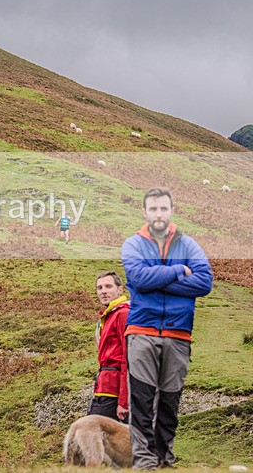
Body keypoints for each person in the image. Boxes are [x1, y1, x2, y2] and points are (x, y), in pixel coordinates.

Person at [122, 187, 213, 469]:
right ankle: (145, 462)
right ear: (145, 212)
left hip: (178, 335)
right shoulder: (133, 244)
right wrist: (177, 271)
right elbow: (137, 277)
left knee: (169, 404)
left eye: (163, 208)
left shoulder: (189, 245)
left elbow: (204, 283)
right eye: (153, 209)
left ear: (171, 211)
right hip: (141, 332)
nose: (158, 214)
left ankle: (165, 459)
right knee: (142, 401)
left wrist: (155, 279)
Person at [89, 272, 130, 423]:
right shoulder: (108, 316)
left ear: (120, 290)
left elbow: (129, 357)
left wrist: (124, 401)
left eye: (108, 286)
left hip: (115, 392)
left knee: (92, 436)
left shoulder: (123, 314)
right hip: (105, 387)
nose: (103, 291)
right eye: (99, 288)